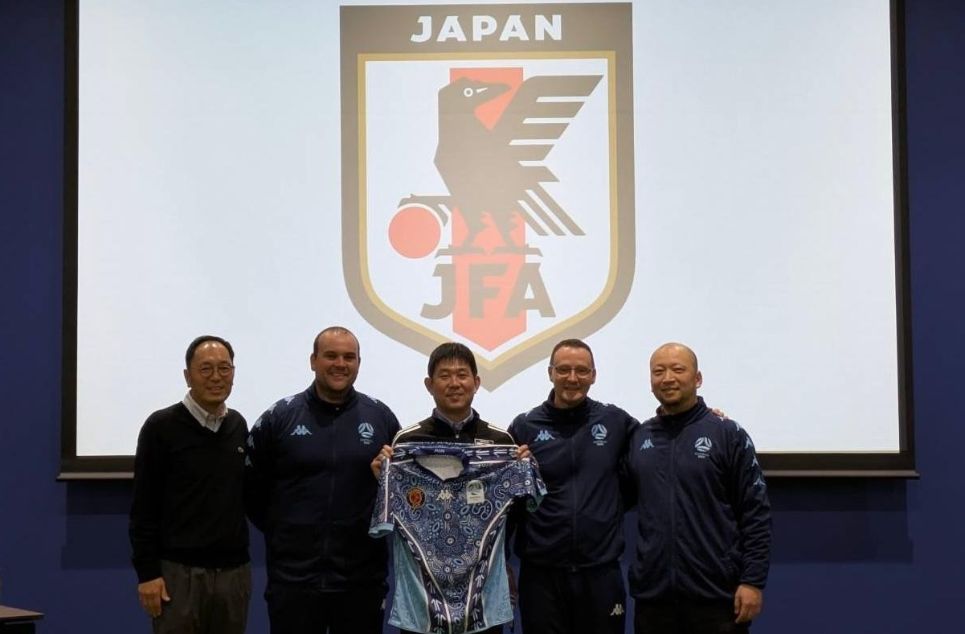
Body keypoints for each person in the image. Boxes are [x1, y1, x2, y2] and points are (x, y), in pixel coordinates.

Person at [244, 326, 400, 634]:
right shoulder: (278, 417)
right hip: (293, 581)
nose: (340, 363)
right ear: (313, 361)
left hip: (361, 580)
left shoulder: (381, 418)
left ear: (358, 363)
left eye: (348, 357)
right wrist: (286, 531)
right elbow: (250, 490)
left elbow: (400, 494)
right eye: (330, 356)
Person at [371, 342, 523, 634]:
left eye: (462, 375)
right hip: (422, 601)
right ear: (429, 384)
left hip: (484, 597)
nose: (454, 383)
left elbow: (515, 514)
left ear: (477, 382)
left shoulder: (503, 441)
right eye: (444, 375)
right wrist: (382, 475)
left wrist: (521, 466)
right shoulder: (404, 442)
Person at [627, 342, 771, 634]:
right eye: (659, 371)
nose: (668, 378)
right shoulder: (640, 437)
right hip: (653, 599)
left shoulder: (727, 434)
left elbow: (755, 513)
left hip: (716, 598)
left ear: (698, 378)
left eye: (678, 369)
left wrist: (752, 581)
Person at [507, 338, 639, 634]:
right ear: (550, 372)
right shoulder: (525, 426)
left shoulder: (616, 421)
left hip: (600, 572)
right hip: (541, 575)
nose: (572, 378)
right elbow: (509, 505)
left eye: (582, 370)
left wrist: (705, 419)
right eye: (564, 370)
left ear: (594, 375)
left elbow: (657, 445)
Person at [129, 335, 251, 633]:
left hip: (233, 575)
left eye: (224, 368)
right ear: (188, 376)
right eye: (206, 369)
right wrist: (147, 574)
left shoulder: (238, 425)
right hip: (178, 576)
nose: (216, 377)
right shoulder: (161, 427)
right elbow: (143, 507)